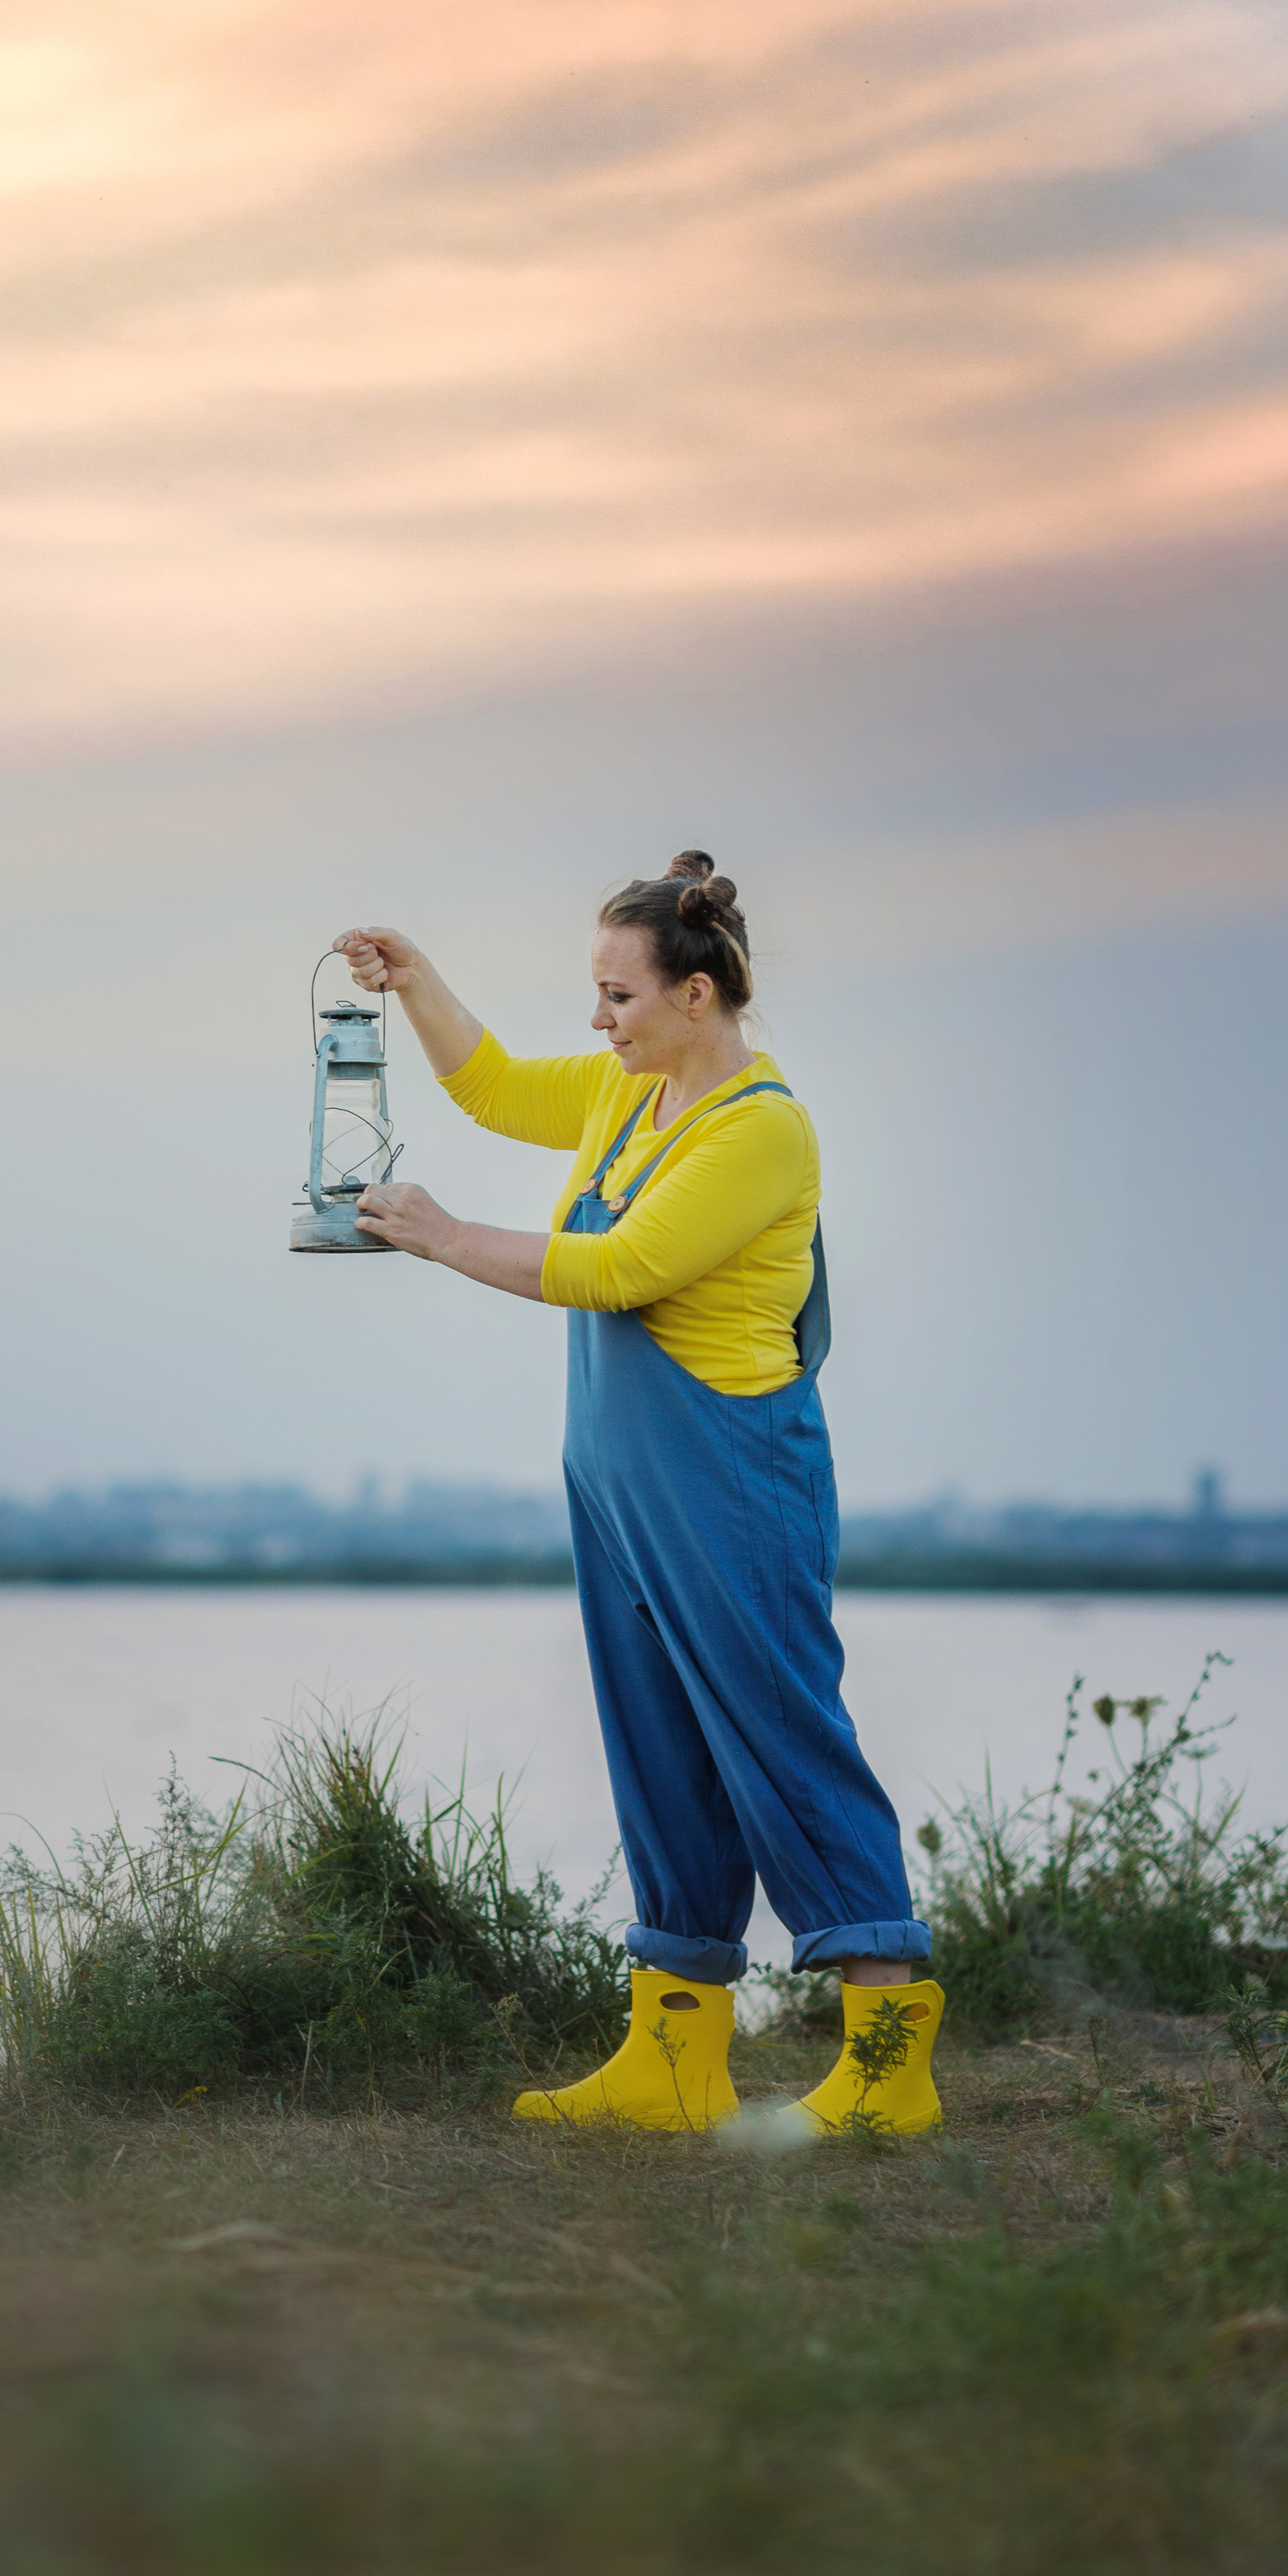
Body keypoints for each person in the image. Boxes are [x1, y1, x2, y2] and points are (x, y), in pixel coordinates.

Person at [334, 858, 942, 2135]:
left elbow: (623, 1269)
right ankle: (675, 2061)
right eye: (596, 995)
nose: (600, 1021)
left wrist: (443, 1235)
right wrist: (415, 977)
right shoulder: (633, 1094)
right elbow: (494, 1086)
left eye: (618, 995)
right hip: (619, 1486)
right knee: (658, 1749)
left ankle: (891, 2073)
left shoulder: (760, 1129)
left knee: (782, 1740)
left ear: (697, 992)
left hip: (731, 1482)